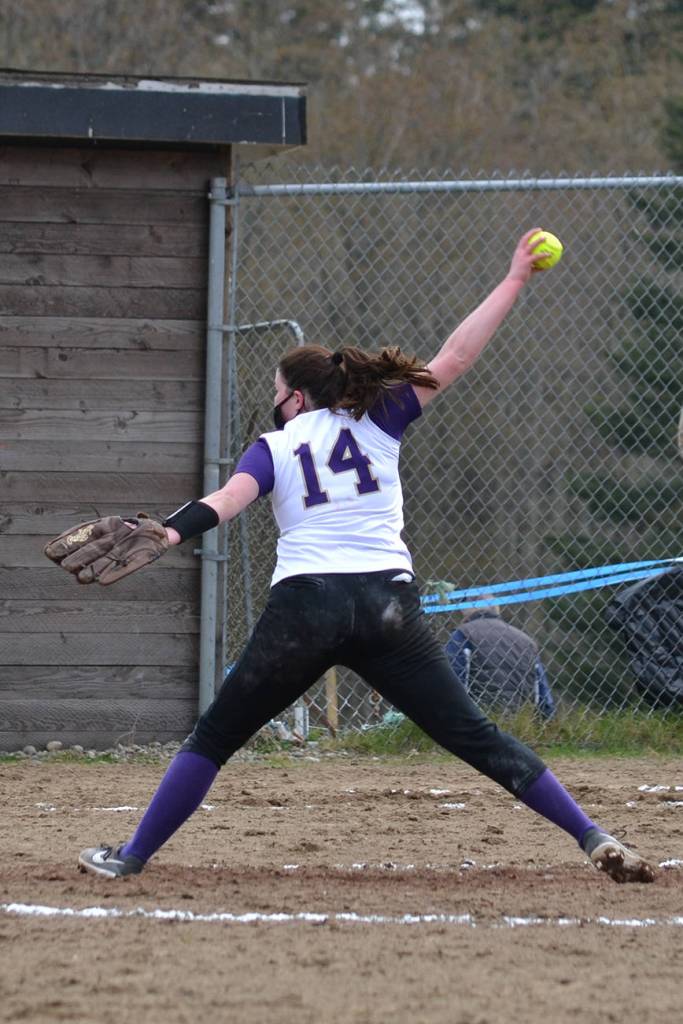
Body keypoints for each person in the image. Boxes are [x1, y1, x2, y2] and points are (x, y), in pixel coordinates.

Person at [74, 229, 654, 884]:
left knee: (214, 738)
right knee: (476, 737)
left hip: (306, 605)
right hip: (386, 605)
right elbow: (457, 355)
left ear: (296, 397)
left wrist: (172, 533)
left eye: (276, 389)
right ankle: (590, 834)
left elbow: (227, 501)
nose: (274, 399)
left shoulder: (274, 446)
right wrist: (515, 276)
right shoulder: (380, 419)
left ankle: (131, 857)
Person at [446, 601, 556, 719]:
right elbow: (544, 698)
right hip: (520, 723)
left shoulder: (463, 634)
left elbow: (451, 684)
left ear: (465, 610)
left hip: (477, 722)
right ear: (496, 608)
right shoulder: (526, 641)